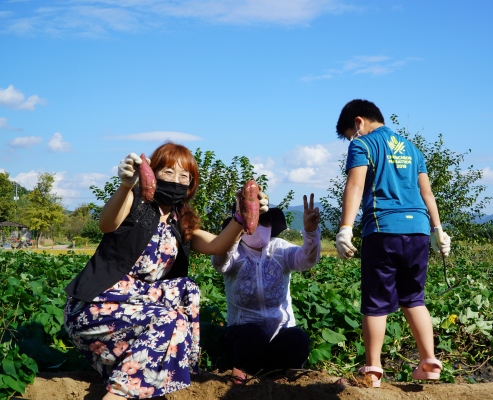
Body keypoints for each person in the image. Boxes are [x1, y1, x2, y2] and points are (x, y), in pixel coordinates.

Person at [63, 142, 268, 399]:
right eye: (169, 172)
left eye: (185, 176)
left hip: (135, 305)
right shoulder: (134, 202)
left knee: (187, 289)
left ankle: (183, 367)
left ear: (191, 185)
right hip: (95, 307)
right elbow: (107, 223)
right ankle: (117, 395)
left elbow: (217, 245)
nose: (177, 180)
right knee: (169, 320)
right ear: (153, 172)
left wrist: (243, 216)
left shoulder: (179, 222)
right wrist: (126, 184)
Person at [334, 99, 451, 387]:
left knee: (375, 302)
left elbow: (356, 186)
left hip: (383, 229)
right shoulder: (412, 149)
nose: (352, 139)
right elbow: (427, 193)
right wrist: (439, 230)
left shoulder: (362, 145)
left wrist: (345, 228)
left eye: (350, 133)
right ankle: (430, 363)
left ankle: (372, 370)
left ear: (359, 122)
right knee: (414, 297)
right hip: (419, 232)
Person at [211, 195, 321, 384]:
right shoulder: (233, 251)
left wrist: (311, 233)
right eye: (253, 218)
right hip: (244, 338)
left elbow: (306, 260)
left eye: (264, 219)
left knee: (298, 338)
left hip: (279, 336)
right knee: (252, 334)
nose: (259, 224)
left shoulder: (279, 249)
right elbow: (220, 263)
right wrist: (237, 225)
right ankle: (242, 369)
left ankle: (281, 374)